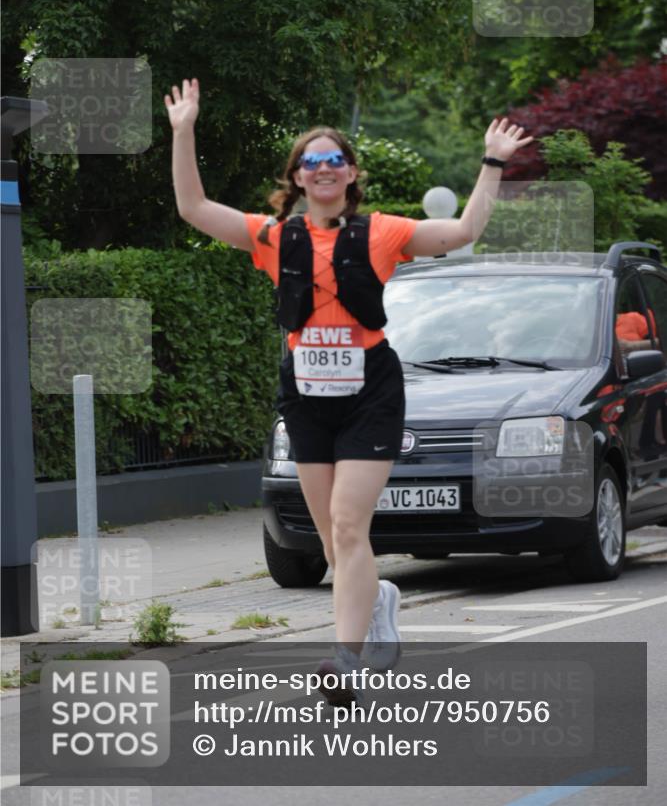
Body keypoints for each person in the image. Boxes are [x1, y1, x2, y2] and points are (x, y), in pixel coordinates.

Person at [167, 77, 534, 706]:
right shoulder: (274, 236)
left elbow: (466, 230)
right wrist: (183, 131)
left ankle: (345, 661)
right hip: (306, 394)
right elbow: (194, 208)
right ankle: (380, 601)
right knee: (335, 540)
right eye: (312, 162)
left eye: (335, 159)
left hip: (370, 390)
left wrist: (492, 161)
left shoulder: (384, 232)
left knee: (346, 522)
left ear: (351, 172)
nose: (324, 169)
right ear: (298, 178)